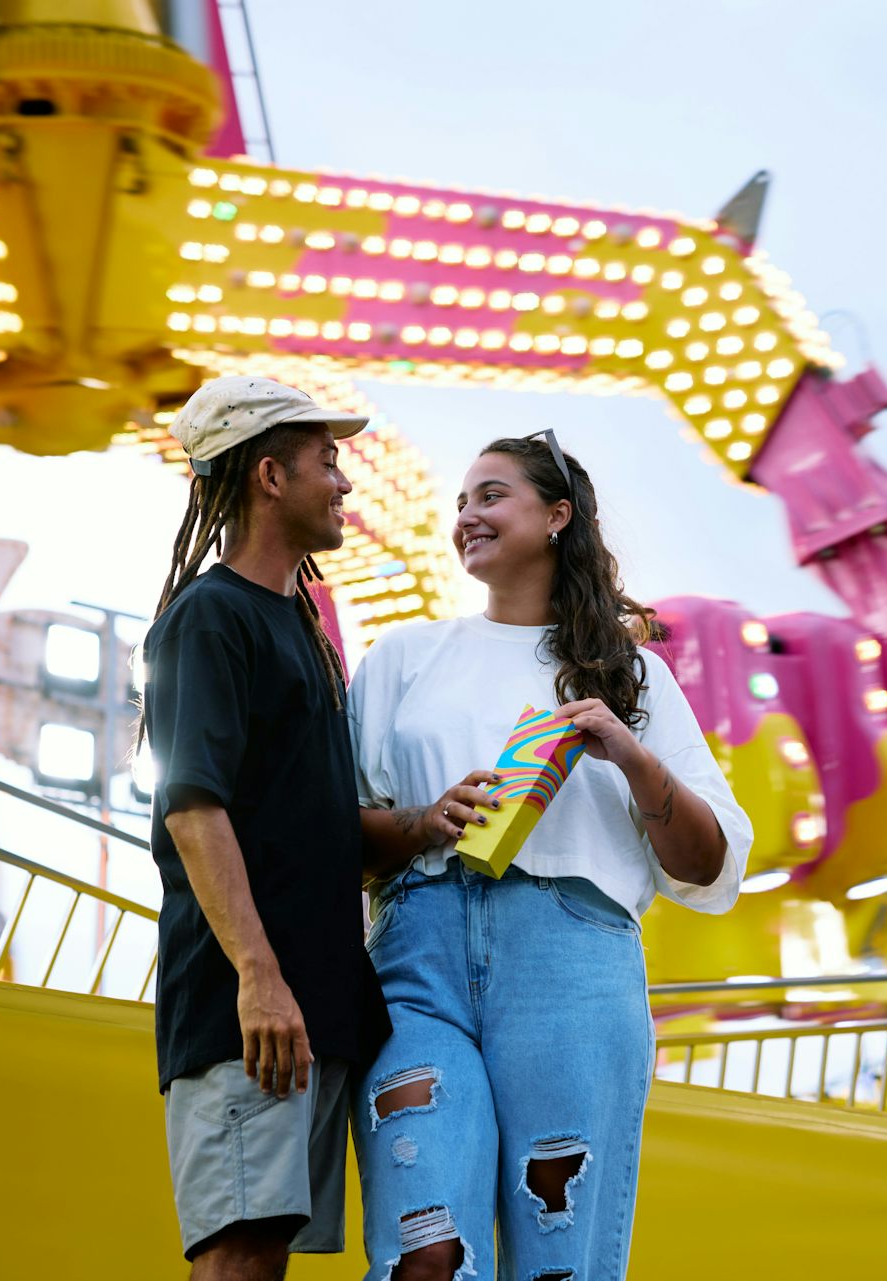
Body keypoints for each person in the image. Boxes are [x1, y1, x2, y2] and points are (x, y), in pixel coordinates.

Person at [347, 430, 751, 1280]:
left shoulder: (629, 676)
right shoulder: (402, 660)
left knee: (556, 1261)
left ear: (557, 515)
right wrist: (424, 821)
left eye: (490, 495)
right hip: (417, 957)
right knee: (424, 1251)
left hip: (572, 963)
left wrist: (628, 752)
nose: (467, 516)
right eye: (460, 503)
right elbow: (335, 833)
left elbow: (710, 863)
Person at [141, 375, 391, 1279]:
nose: (347, 482)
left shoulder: (301, 627)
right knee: (238, 1259)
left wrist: (428, 826)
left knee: (264, 1253)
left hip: (306, 1010)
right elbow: (192, 805)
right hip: (251, 1010)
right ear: (271, 475)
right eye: (330, 460)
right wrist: (258, 977)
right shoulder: (209, 618)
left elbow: (310, 824)